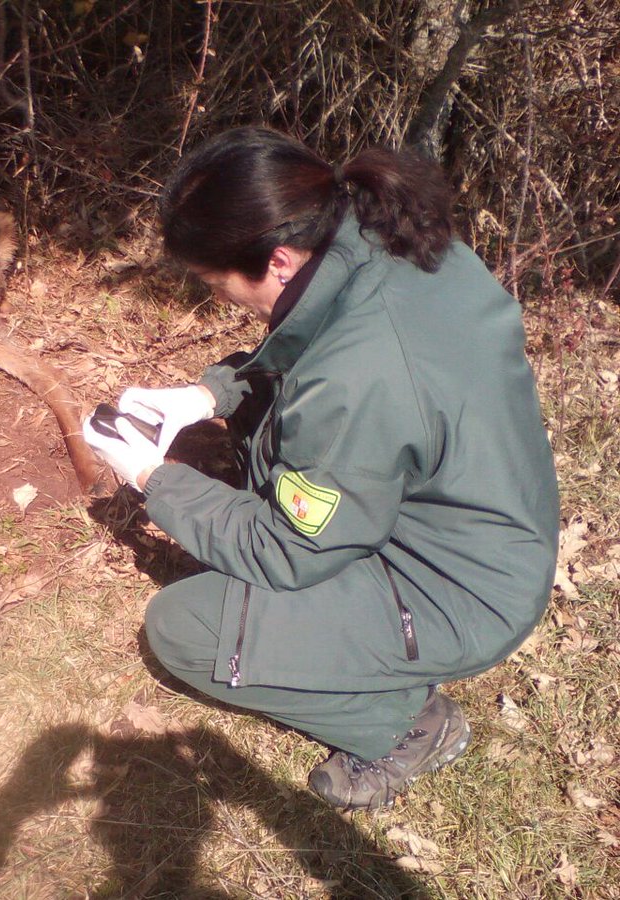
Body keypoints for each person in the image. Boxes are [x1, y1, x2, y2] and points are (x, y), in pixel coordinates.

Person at [82, 126, 559, 811]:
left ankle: (408, 726)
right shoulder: (382, 236)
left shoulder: (358, 378)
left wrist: (154, 479)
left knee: (186, 627)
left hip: (458, 591)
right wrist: (207, 395)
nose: (220, 299)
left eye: (216, 284)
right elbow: (312, 346)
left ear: (278, 260)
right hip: (489, 522)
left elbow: (285, 550)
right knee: (262, 442)